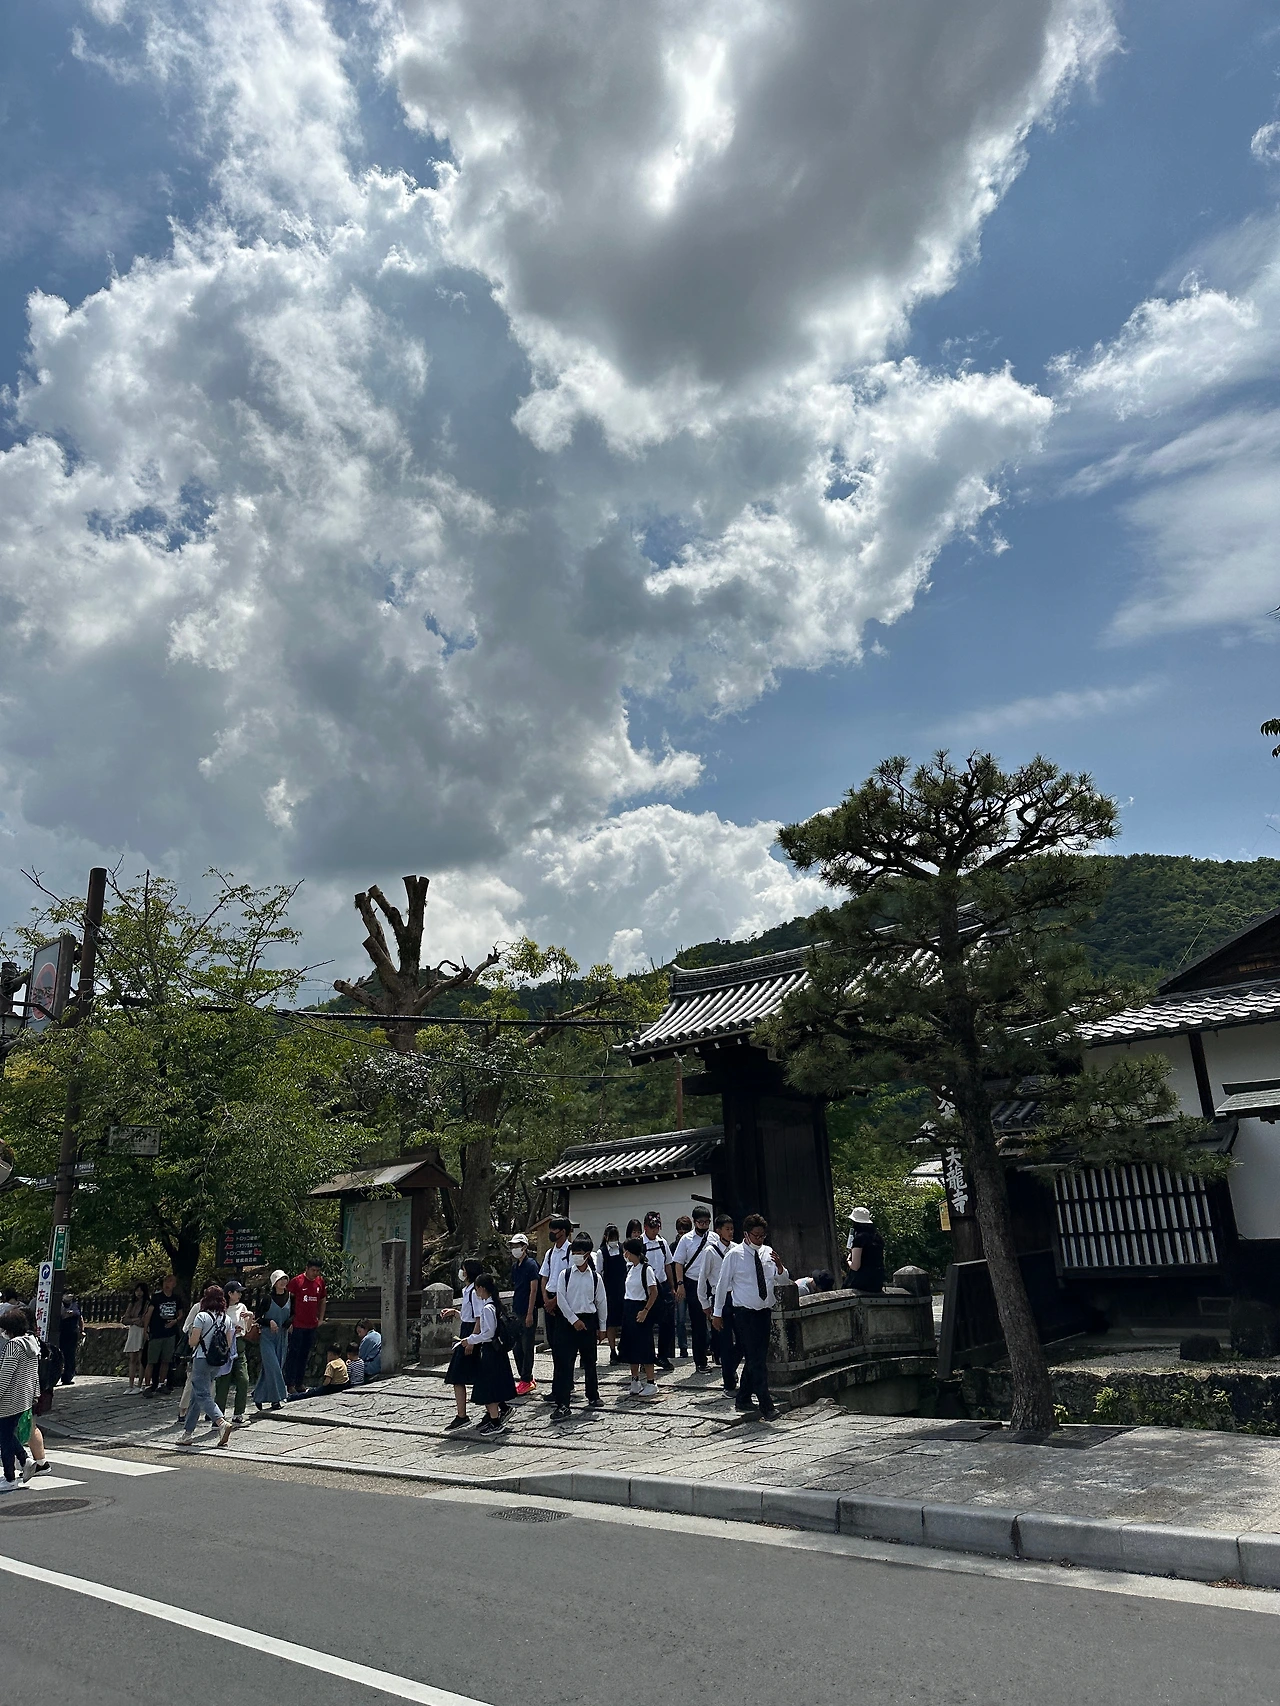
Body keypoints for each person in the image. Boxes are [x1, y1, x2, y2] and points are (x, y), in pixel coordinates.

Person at [712, 1213, 788, 1420]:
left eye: (762, 1235)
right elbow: (722, 1285)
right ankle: (766, 1404)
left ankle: (743, 1397)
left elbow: (783, 1280)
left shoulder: (768, 1252)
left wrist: (780, 1267)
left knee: (758, 1357)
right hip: (744, 1313)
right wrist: (717, 1313)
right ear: (746, 1234)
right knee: (756, 1359)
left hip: (764, 1311)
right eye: (756, 1235)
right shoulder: (734, 1255)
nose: (759, 1239)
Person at [550, 1233, 607, 1420]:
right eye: (573, 1252)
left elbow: (601, 1303)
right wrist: (573, 1320)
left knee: (590, 1361)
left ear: (588, 1254)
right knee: (565, 1364)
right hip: (567, 1322)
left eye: (579, 1252)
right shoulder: (565, 1275)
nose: (576, 1256)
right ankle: (563, 1404)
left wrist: (602, 1327)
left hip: (588, 1320)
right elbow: (561, 1299)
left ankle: (593, 1395)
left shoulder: (595, 1278)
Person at [179, 1284, 234, 1448]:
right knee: (197, 1396)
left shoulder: (201, 1316)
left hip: (202, 1358)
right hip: (216, 1361)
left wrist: (193, 1334)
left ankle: (221, 1422)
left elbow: (193, 1341)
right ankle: (187, 1433)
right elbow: (228, 1343)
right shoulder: (226, 1319)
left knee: (202, 1394)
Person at [461, 1272, 516, 1433]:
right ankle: (496, 1417)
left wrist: (470, 1339)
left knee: (488, 1388)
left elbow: (488, 1333)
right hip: (496, 1351)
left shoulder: (487, 1308)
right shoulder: (496, 1306)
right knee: (493, 1385)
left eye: (477, 1288)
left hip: (491, 1351)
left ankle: (495, 1421)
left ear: (482, 1288)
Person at [0, 1306, 41, 1494]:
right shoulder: (32, 1342)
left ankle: (10, 1478)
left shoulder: (13, 1346)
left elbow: (5, 1375)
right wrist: (35, 1394)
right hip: (23, 1397)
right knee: (7, 1434)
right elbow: (35, 1373)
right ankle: (25, 1461)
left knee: (5, 1439)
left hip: (8, 1399)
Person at [441, 1258, 483, 1430]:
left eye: (463, 1269)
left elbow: (478, 1319)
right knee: (463, 1376)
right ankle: (462, 1414)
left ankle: (462, 1415)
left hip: (471, 1334)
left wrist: (472, 1340)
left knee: (459, 1375)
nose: (461, 1272)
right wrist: (455, 1312)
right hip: (466, 1331)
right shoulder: (468, 1291)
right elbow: (468, 1316)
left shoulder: (474, 1292)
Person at [673, 1206, 714, 1370]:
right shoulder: (686, 1240)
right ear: (695, 1222)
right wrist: (680, 1284)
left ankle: (718, 1354)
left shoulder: (714, 1237)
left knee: (717, 1319)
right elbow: (678, 1263)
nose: (704, 1225)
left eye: (707, 1222)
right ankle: (700, 1361)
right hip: (693, 1282)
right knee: (698, 1324)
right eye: (701, 1222)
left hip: (711, 1282)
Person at [538, 1215, 574, 1402]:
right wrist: (546, 1298)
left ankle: (564, 1385)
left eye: (555, 1229)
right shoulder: (550, 1253)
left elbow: (570, 1281)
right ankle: (558, 1385)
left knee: (564, 1346)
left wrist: (556, 1301)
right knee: (554, 1345)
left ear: (563, 1232)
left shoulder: (571, 1252)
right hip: (550, 1298)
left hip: (564, 1301)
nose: (551, 1233)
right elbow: (544, 1276)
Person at [619, 1236, 659, 1399]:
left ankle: (651, 1382)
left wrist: (645, 1310)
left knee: (644, 1346)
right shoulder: (630, 1268)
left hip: (641, 1308)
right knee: (631, 1346)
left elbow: (654, 1292)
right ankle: (635, 1380)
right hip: (628, 1308)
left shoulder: (646, 1269)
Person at [699, 1213, 736, 1387]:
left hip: (737, 1297)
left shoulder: (736, 1249)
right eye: (727, 1229)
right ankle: (729, 1380)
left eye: (732, 1229)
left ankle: (732, 1369)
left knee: (742, 1339)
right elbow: (702, 1278)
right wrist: (705, 1304)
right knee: (725, 1341)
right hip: (719, 1298)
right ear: (719, 1231)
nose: (731, 1232)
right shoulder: (710, 1251)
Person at [284, 1259, 327, 1394]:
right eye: (313, 1270)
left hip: (311, 1324)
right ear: (307, 1268)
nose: (315, 1273)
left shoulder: (320, 1282)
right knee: (293, 1354)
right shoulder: (297, 1281)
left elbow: (322, 1299)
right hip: (297, 1324)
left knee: (305, 1354)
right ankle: (290, 1383)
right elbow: (288, 1301)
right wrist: (289, 1321)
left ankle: (299, 1382)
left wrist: (320, 1318)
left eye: (318, 1271)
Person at [641, 1211, 677, 1371]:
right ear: (645, 1227)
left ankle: (663, 1356)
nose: (655, 1230)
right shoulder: (640, 1244)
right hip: (646, 1289)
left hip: (663, 1286)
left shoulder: (662, 1243)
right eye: (652, 1227)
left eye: (657, 1227)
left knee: (667, 1323)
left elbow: (668, 1265)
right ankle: (646, 1358)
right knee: (646, 1325)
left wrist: (672, 1286)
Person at [214, 1278, 252, 1428]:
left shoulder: (242, 1307)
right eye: (237, 1292)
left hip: (239, 1344)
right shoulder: (220, 1309)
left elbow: (247, 1329)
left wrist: (249, 1317)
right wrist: (230, 1329)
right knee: (223, 1382)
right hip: (225, 1346)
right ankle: (218, 1417)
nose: (240, 1295)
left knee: (243, 1379)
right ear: (229, 1293)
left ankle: (238, 1414)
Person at [253, 1269, 292, 1411]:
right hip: (267, 1337)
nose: (283, 1282)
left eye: (285, 1279)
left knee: (273, 1368)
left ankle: (258, 1395)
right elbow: (257, 1317)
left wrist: (289, 1322)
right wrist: (269, 1321)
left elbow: (294, 1313)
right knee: (273, 1366)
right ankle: (277, 1399)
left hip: (282, 1336)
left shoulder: (290, 1297)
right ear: (274, 1283)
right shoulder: (267, 1299)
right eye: (280, 1279)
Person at [508, 1233, 540, 1394]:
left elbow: (533, 1290)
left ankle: (526, 1379)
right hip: (517, 1309)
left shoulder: (531, 1265)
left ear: (524, 1247)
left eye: (517, 1246)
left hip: (528, 1310)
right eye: (513, 1246)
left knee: (527, 1347)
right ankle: (525, 1376)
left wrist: (530, 1313)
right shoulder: (516, 1267)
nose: (515, 1249)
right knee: (517, 1347)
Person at [142, 1274, 184, 1396]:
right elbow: (148, 1314)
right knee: (151, 1360)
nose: (167, 1284)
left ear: (174, 1284)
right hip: (156, 1333)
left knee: (166, 1360)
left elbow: (180, 1314)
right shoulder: (156, 1298)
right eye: (166, 1281)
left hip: (170, 1334)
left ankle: (161, 1383)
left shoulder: (176, 1298)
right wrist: (145, 1329)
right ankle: (148, 1385)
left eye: (170, 1281)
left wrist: (175, 1321)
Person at [595, 1223, 627, 1363]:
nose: (614, 1240)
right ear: (606, 1237)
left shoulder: (623, 1248)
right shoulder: (601, 1252)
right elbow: (599, 1273)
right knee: (611, 1323)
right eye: (611, 1237)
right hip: (609, 1291)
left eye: (615, 1237)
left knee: (625, 1321)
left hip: (623, 1289)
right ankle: (612, 1350)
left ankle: (624, 1348)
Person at [845, 1207, 886, 1294]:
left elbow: (855, 1266)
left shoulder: (859, 1239)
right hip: (877, 1281)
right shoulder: (878, 1237)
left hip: (863, 1282)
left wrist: (848, 1260)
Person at [121, 1282, 149, 1390]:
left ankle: (140, 1384)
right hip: (133, 1331)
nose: (138, 1293)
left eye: (141, 1290)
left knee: (141, 1358)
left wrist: (136, 1320)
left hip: (142, 1331)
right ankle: (131, 1384)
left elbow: (143, 1320)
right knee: (132, 1358)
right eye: (137, 1291)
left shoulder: (147, 1304)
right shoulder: (132, 1304)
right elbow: (125, 1319)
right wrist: (134, 1320)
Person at [58, 1295, 84, 1385]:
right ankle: (57, 1374)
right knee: (60, 1354)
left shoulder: (75, 1305)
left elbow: (80, 1318)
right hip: (61, 1332)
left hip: (72, 1332)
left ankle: (68, 1376)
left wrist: (82, 1330)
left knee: (70, 1355)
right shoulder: (58, 1304)